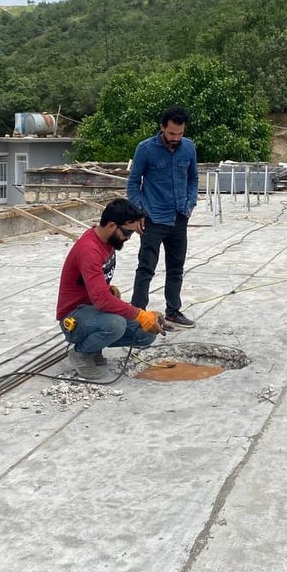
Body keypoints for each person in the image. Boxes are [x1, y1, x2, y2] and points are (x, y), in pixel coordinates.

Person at [56, 197, 166, 381]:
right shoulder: (90, 249)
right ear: (112, 225)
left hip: (92, 310)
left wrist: (106, 287)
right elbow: (101, 300)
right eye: (127, 232)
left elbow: (97, 290)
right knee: (116, 324)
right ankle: (81, 353)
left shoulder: (108, 242)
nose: (129, 238)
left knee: (145, 334)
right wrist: (139, 314)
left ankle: (94, 347)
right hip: (73, 317)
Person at [126, 106, 199, 328]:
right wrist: (139, 212)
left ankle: (173, 311)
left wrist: (190, 204)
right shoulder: (145, 149)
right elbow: (133, 184)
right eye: (171, 133)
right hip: (153, 219)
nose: (176, 138)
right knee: (146, 267)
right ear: (162, 128)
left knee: (176, 267)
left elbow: (193, 179)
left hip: (179, 217)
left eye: (180, 133)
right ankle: (138, 313)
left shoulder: (189, 148)